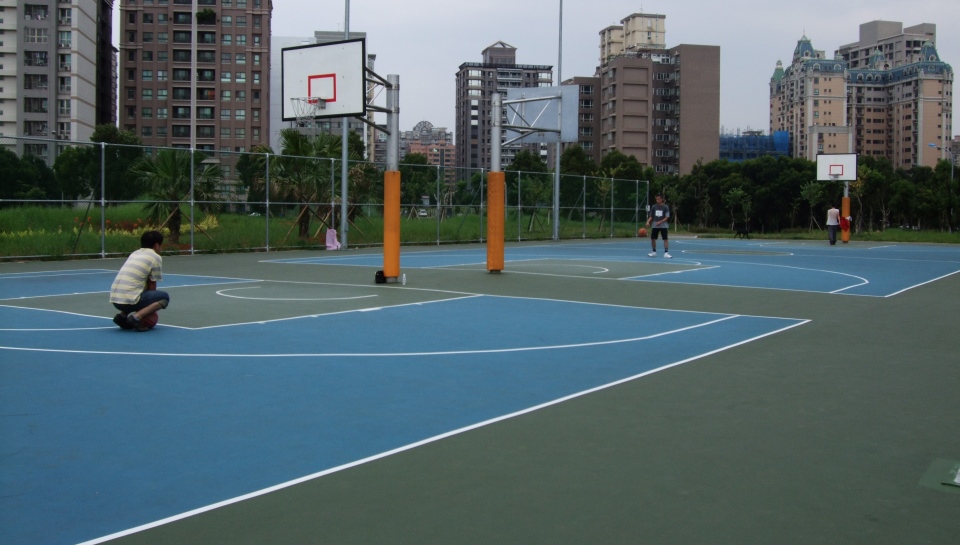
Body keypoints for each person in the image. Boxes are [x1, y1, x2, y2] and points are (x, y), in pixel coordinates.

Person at [110, 230, 170, 331]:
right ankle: (136, 318)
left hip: (115, 300)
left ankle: (122, 315)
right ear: (156, 245)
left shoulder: (135, 253)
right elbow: (152, 284)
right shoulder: (155, 257)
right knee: (164, 298)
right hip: (129, 300)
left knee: (136, 290)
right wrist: (149, 309)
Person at [646, 194, 672, 258]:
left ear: (661, 199)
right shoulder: (654, 207)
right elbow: (651, 216)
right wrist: (648, 221)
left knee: (665, 239)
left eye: (658, 199)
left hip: (663, 225)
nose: (657, 200)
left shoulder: (665, 207)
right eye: (656, 199)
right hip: (655, 225)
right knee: (653, 238)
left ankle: (666, 253)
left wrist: (660, 222)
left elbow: (667, 217)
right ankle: (654, 252)